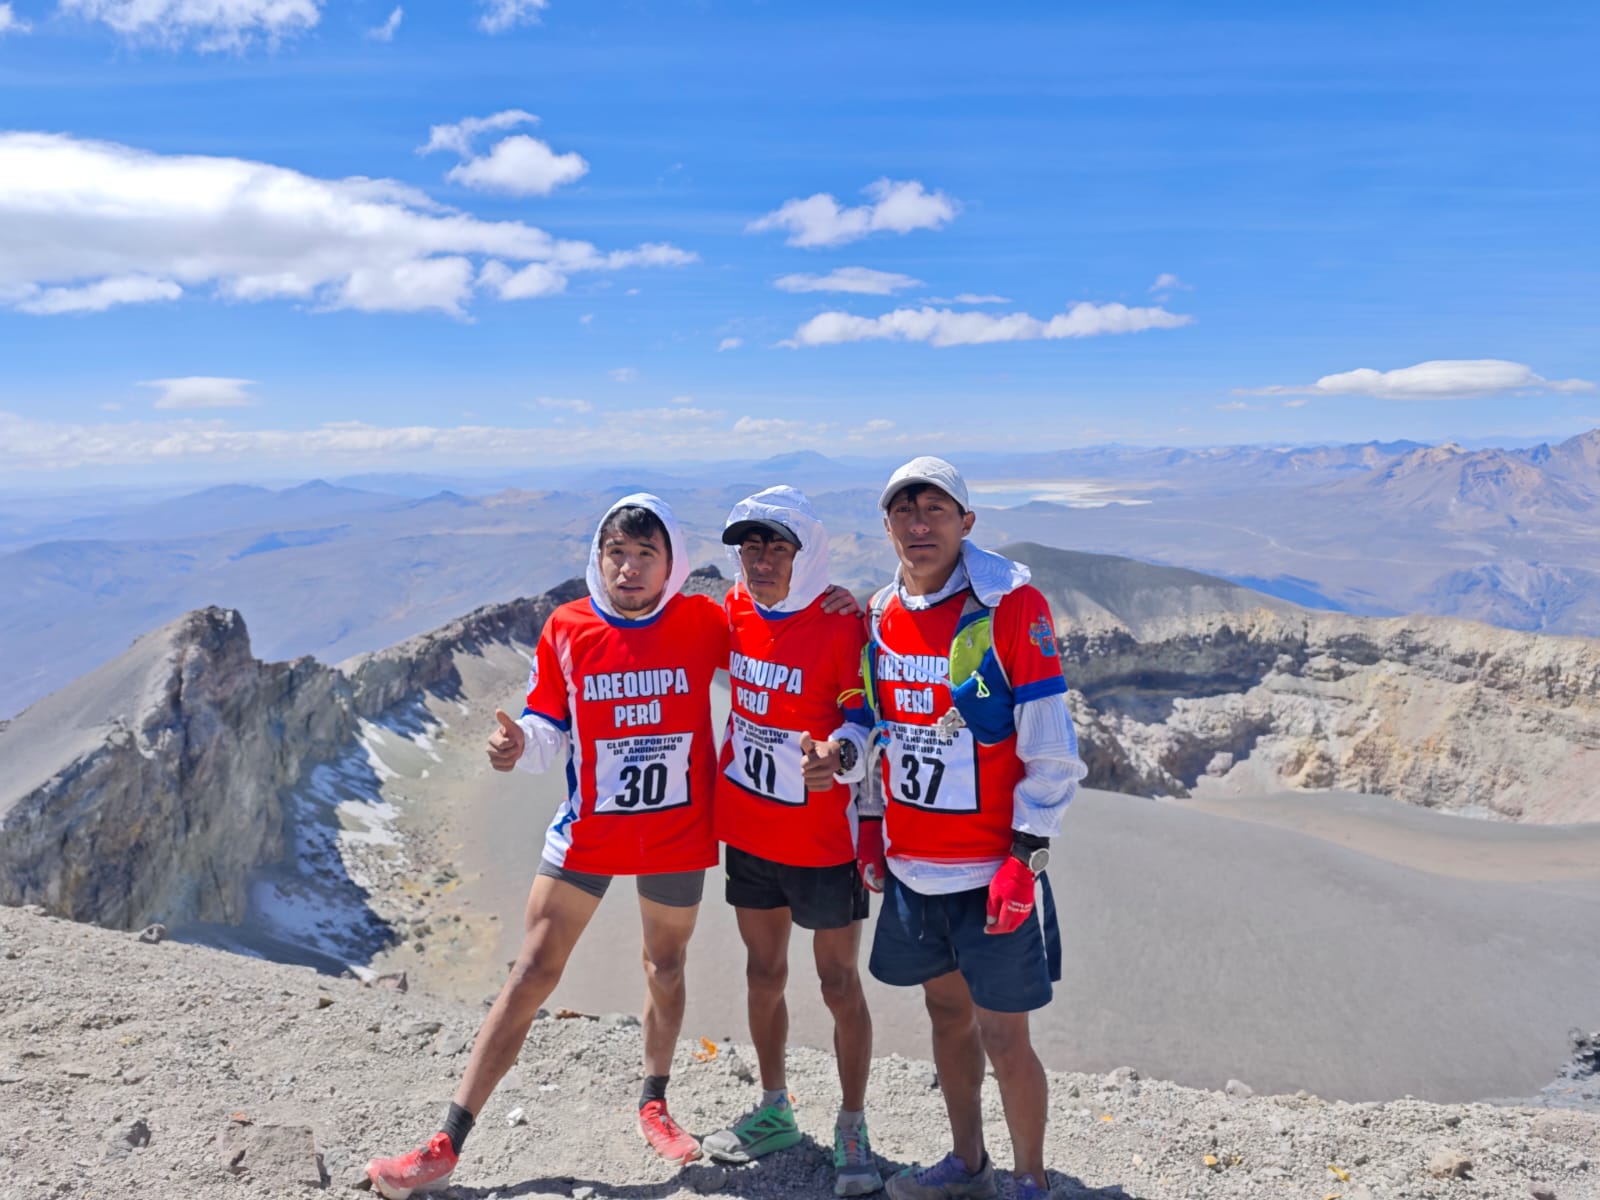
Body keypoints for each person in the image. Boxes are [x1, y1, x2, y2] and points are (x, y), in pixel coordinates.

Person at [366, 494, 728, 1199]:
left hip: (678, 832)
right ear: (598, 559)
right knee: (531, 971)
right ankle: (446, 1141)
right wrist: (516, 745)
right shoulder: (568, 627)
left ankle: (654, 1101)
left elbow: (775, 643)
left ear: (671, 563)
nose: (628, 568)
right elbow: (547, 724)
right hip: (589, 830)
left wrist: (834, 603)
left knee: (667, 964)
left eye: (645, 555)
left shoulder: (701, 620)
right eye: (616, 553)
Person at [859, 458, 1085, 1200]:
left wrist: (1027, 855)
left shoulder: (1013, 609)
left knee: (1004, 1037)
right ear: (887, 525)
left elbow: (1051, 748)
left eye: (935, 510)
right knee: (945, 1016)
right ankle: (967, 1162)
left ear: (967, 523)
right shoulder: (880, 616)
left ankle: (1029, 1180)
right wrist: (870, 825)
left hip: (991, 874)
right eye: (903, 512)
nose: (919, 525)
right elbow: (883, 729)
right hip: (913, 870)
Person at [700, 486, 883, 1196]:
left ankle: (852, 1122)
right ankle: (774, 1108)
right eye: (751, 546)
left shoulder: (842, 625)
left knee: (838, 983)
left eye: (779, 546)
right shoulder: (735, 608)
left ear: (807, 554)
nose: (763, 560)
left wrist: (836, 756)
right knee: (762, 972)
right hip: (748, 828)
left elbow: (864, 717)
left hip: (821, 840)